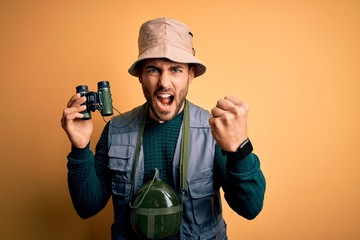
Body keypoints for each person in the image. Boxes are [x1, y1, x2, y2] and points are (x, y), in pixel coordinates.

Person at [61, 17, 266, 240]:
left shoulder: (214, 131)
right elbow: (87, 207)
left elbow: (250, 208)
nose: (164, 83)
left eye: (176, 70)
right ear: (140, 75)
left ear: (190, 75)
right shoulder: (115, 130)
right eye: (153, 70)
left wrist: (240, 149)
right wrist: (80, 148)